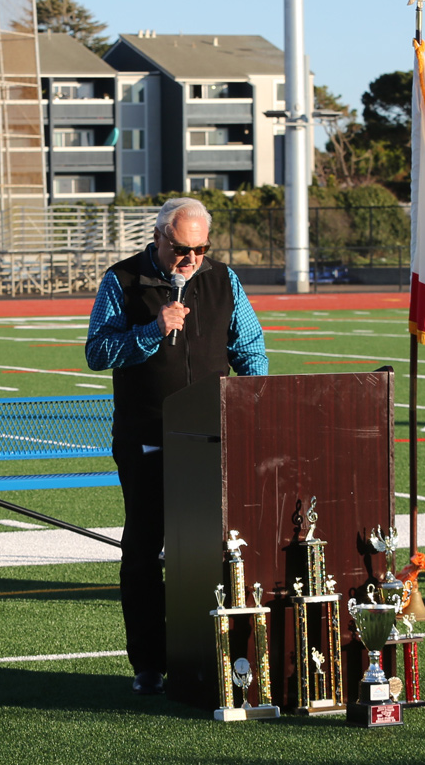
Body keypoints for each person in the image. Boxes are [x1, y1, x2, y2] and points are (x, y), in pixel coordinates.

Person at [85, 197, 268, 696]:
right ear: (159, 238)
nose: (191, 259)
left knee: (218, 549)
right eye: (182, 249)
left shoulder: (225, 280)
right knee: (144, 552)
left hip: (214, 435)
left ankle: (214, 659)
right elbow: (97, 352)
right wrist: (151, 330)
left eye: (201, 249)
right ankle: (149, 663)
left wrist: (259, 402)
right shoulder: (121, 280)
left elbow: (249, 348)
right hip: (146, 437)